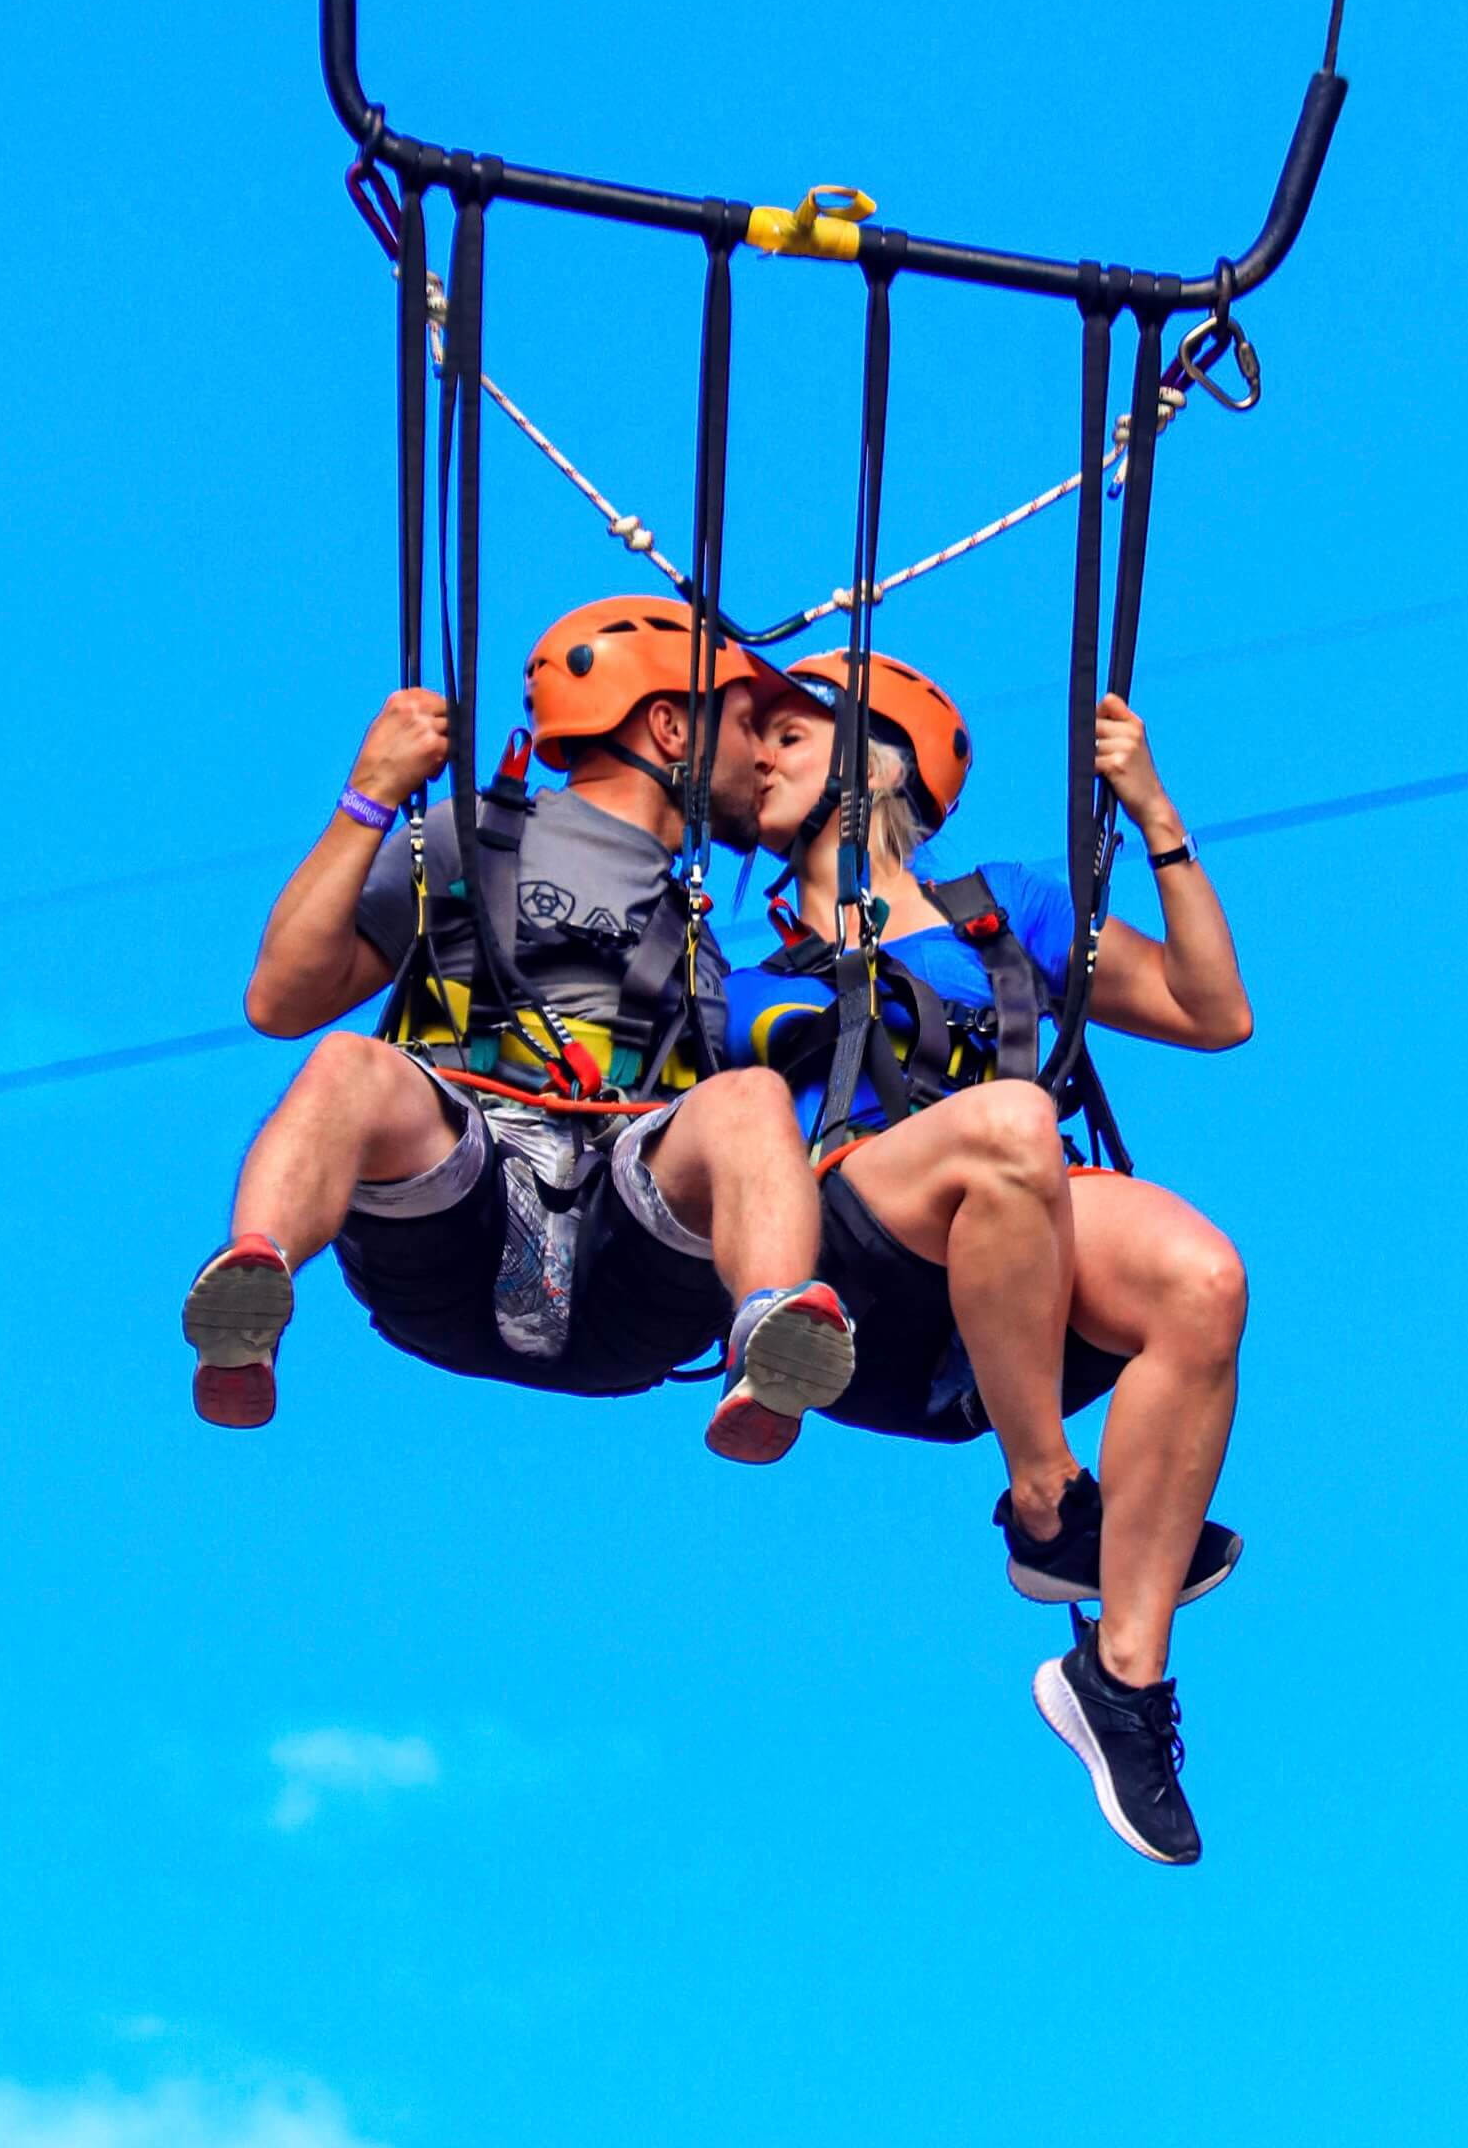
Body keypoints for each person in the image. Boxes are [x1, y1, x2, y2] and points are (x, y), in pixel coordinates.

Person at [726, 651, 1254, 1864]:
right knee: (1012, 1125)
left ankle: (1120, 1677)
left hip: (1019, 1256)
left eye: (792, 739)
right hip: (860, 1259)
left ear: (877, 765)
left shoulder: (996, 907)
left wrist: (1157, 816)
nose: (758, 761)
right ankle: (1046, 1501)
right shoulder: (730, 969)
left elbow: (1212, 1013)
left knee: (1201, 1279)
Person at [180, 597, 852, 1447]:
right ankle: (250, 1295)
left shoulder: (703, 934)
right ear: (672, 728)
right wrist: (371, 796)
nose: (762, 757)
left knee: (752, 1098)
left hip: (624, 1259)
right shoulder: (480, 835)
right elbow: (282, 999)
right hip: (462, 1199)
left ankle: (771, 1343)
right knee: (350, 1063)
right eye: (750, 726)